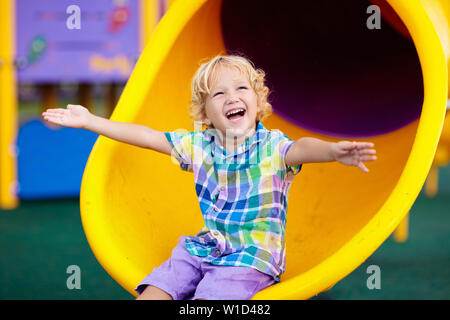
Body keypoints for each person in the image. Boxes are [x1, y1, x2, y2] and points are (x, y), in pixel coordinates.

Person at [42, 54, 377, 300]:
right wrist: (90, 120)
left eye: (241, 89)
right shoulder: (199, 145)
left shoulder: (273, 147)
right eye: (219, 94)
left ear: (257, 102)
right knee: (155, 291)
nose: (231, 97)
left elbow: (302, 148)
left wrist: (333, 152)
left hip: (251, 255)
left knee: (208, 301)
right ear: (205, 113)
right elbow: (146, 136)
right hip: (206, 246)